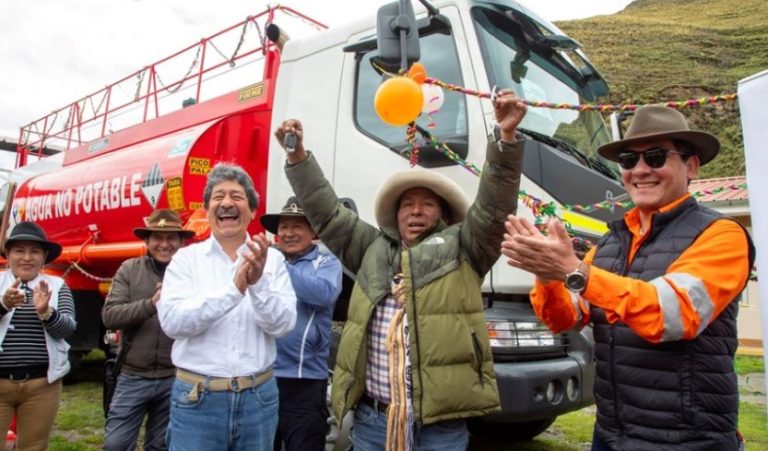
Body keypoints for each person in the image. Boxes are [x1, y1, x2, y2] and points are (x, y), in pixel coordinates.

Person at [274, 90, 527, 451]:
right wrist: (297, 157)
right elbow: (327, 213)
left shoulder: (467, 248)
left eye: (427, 204)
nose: (416, 211)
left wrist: (505, 140)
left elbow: (494, 209)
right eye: (408, 204)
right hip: (375, 421)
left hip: (441, 426)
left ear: (442, 214)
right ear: (395, 214)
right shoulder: (371, 249)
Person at [501, 105, 755, 451]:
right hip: (611, 435)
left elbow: (671, 314)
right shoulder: (609, 243)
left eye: (655, 157)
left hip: (689, 441)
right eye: (628, 160)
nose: (640, 170)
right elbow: (565, 319)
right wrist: (547, 275)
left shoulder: (721, 234)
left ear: (691, 166)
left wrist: (573, 271)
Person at [157, 163, 297, 451]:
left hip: (259, 399)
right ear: (207, 210)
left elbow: (283, 325)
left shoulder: (272, 261)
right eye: (218, 197)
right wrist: (234, 291)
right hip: (198, 399)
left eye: (237, 196)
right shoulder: (185, 260)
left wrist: (257, 285)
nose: (227, 203)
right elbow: (173, 323)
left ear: (252, 210)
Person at [102, 209, 195, 451]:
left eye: (171, 237)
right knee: (116, 444)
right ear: (147, 240)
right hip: (132, 376)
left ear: (181, 241)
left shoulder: (192, 273)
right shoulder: (129, 270)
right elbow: (110, 316)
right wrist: (151, 303)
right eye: (157, 237)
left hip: (174, 377)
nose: (164, 244)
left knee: (161, 445)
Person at [260, 197, 343, 451]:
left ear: (313, 232)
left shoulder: (327, 263)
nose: (289, 233)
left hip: (305, 380)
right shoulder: (267, 262)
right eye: (284, 227)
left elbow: (323, 293)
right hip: (263, 377)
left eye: (297, 226)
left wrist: (277, 265)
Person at [0, 221, 76, 450]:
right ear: (9, 254)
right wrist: (3, 306)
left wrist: (46, 312)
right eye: (20, 250)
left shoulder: (58, 285)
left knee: (33, 446)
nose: (27, 257)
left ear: (44, 257)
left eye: (34, 251)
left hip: (41, 385)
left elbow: (68, 330)